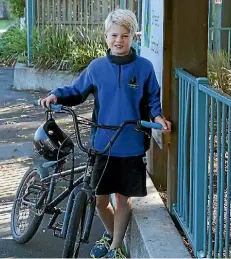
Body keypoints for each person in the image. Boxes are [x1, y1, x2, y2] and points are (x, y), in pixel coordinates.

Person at [38, 8, 171, 259]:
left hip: (131, 143)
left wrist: (158, 117)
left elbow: (153, 99)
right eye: (113, 35)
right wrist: (56, 94)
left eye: (124, 35)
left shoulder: (144, 67)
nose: (118, 40)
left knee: (122, 199)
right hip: (103, 143)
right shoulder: (97, 67)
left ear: (133, 37)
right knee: (100, 200)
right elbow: (76, 91)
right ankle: (111, 235)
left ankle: (114, 248)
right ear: (106, 37)